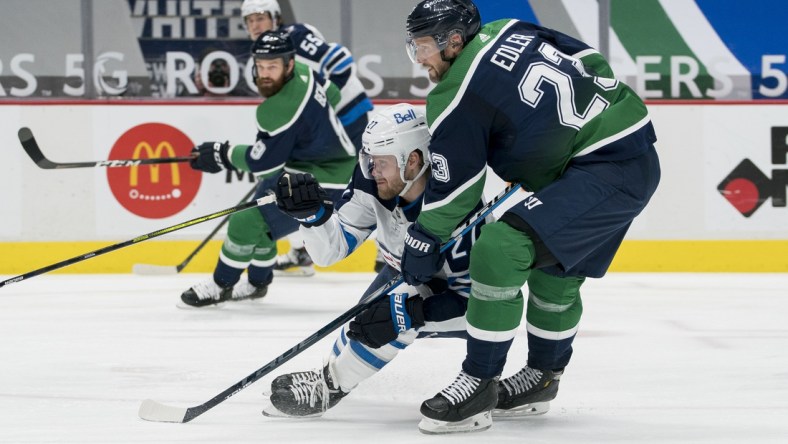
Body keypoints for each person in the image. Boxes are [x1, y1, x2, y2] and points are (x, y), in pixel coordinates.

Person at [399, 0, 661, 434]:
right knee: (555, 271)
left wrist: (425, 237)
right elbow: (588, 60)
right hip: (629, 155)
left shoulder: (454, 91)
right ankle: (541, 378)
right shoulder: (512, 27)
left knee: (500, 248)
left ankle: (479, 382)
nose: (420, 59)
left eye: (424, 47)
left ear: (454, 41)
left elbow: (456, 191)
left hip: (603, 170)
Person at [261, 103, 489, 418]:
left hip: (470, 295)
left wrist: (415, 312)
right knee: (365, 325)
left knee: (392, 315)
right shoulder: (375, 181)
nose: (372, 171)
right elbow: (331, 250)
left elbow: (484, 305)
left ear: (413, 161)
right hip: (407, 273)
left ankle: (328, 389)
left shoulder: (457, 202)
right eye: (369, 161)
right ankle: (333, 376)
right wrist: (313, 217)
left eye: (380, 163)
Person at [181, 30, 357, 307]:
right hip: (314, 164)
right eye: (260, 66)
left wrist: (221, 154)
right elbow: (332, 94)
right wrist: (313, 134)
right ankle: (256, 283)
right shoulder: (303, 70)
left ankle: (220, 286)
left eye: (272, 67)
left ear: (288, 64)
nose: (264, 73)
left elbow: (263, 164)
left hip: (328, 175)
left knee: (244, 220)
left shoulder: (278, 108)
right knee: (258, 223)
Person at [240, 0, 377, 275]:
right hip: (321, 128)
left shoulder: (296, 35)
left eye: (260, 18)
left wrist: (325, 109)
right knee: (293, 183)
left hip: (348, 120)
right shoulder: (262, 57)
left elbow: (340, 62)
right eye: (250, 20)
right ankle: (304, 250)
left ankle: (388, 249)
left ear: (276, 17)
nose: (255, 25)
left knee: (367, 183)